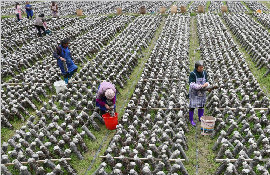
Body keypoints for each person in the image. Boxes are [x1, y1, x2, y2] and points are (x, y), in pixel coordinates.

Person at [188, 60, 210, 126]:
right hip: (194, 93)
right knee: (192, 106)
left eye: (202, 67)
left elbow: (207, 81)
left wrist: (207, 84)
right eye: (200, 67)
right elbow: (192, 84)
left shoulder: (204, 73)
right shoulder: (193, 74)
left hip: (202, 92)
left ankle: (200, 117)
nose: (202, 68)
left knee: (201, 105)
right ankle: (191, 119)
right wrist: (201, 86)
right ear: (196, 67)